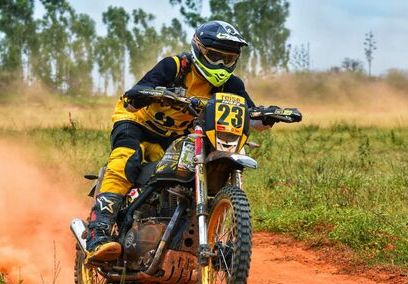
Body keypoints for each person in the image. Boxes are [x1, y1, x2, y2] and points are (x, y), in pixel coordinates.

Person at [86, 20, 273, 262]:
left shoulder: (232, 85)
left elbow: (251, 115)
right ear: (199, 49)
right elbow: (136, 93)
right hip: (137, 123)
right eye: (215, 56)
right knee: (126, 161)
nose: (221, 64)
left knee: (179, 178)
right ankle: (97, 234)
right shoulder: (175, 67)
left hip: (175, 136)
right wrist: (151, 94)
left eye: (228, 59)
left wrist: (266, 116)